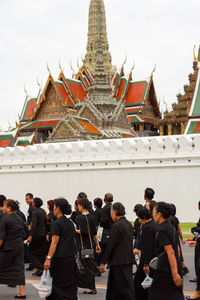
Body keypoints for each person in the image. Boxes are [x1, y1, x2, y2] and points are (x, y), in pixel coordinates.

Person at [148, 202, 184, 300]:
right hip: (174, 265)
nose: (152, 214)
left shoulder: (162, 230)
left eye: (154, 211)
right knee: (173, 293)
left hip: (165, 268)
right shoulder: (171, 226)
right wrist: (178, 265)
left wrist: (174, 273)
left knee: (155, 295)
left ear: (159, 214)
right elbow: (177, 249)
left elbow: (170, 251)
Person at [99, 202, 135, 300]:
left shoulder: (117, 225)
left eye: (111, 211)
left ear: (114, 212)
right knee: (117, 286)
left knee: (122, 286)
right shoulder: (128, 224)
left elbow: (111, 245)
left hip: (119, 260)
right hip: (127, 259)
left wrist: (103, 262)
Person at [44, 198, 77, 300]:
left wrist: (48, 258)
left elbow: (54, 242)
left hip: (59, 258)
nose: (53, 209)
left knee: (58, 283)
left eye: (54, 207)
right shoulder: (70, 223)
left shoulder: (56, 224)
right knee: (69, 283)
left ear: (58, 208)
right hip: (70, 257)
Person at [0, 199, 26, 299]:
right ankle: (22, 292)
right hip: (19, 246)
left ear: (9, 208)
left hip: (8, 247)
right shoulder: (19, 218)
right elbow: (23, 233)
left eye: (4, 206)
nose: (3, 208)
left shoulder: (5, 219)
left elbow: (1, 237)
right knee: (19, 268)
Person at [76, 197, 101, 295]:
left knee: (85, 266)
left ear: (81, 206)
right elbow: (94, 233)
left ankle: (91, 287)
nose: (78, 207)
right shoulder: (91, 216)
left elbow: (84, 232)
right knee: (89, 265)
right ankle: (90, 286)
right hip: (91, 244)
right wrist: (97, 244)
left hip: (84, 245)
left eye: (78, 205)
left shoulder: (81, 217)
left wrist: (74, 229)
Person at [133, 207, 158, 300]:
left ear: (143, 217)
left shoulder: (147, 228)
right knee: (149, 282)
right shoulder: (155, 224)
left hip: (147, 259)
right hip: (155, 259)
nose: (139, 220)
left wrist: (146, 264)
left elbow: (147, 247)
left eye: (139, 218)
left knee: (138, 282)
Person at [28, 197, 49, 276]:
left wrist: (30, 235)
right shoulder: (43, 211)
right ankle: (40, 269)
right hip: (43, 234)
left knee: (30, 251)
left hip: (36, 235)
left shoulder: (35, 212)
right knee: (40, 252)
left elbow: (34, 225)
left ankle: (39, 267)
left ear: (35, 204)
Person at [170, 203, 189, 276]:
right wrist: (182, 238)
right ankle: (184, 268)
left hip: (171, 238)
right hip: (176, 237)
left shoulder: (168, 219)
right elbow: (179, 229)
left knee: (172, 254)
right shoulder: (176, 219)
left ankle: (180, 269)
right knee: (178, 254)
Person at [100, 193, 114, 259]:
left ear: (104, 200)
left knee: (104, 251)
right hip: (113, 231)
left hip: (106, 232)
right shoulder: (114, 207)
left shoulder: (105, 208)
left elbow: (103, 221)